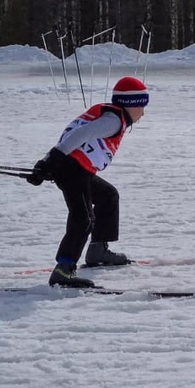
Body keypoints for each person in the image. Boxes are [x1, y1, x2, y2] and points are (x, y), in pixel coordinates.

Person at [27, 76, 149, 288]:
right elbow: (82, 133)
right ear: (131, 104)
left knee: (108, 196)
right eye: (142, 106)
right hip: (73, 169)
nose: (144, 113)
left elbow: (75, 134)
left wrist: (49, 163)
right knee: (83, 218)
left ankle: (97, 251)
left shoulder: (111, 115)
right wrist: (52, 160)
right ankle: (64, 270)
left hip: (75, 168)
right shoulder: (113, 121)